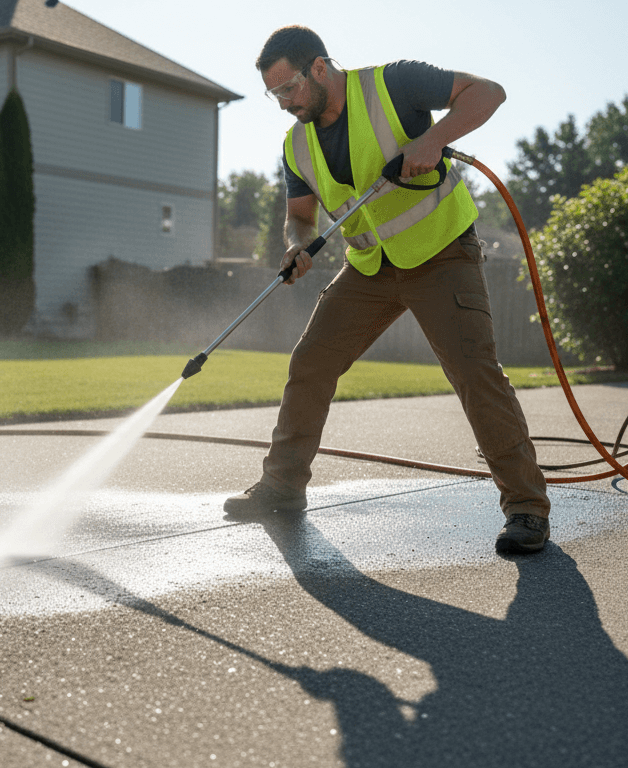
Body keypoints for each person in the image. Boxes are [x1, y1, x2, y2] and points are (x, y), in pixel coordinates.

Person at [224, 25, 551, 555]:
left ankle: (527, 508)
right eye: (275, 94)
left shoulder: (392, 85)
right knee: (310, 362)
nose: (284, 103)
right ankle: (282, 489)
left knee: (474, 372)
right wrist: (296, 246)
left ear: (320, 68)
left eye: (289, 89)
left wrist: (433, 139)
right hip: (369, 267)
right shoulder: (296, 144)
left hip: (441, 252)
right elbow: (299, 218)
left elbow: (488, 92)